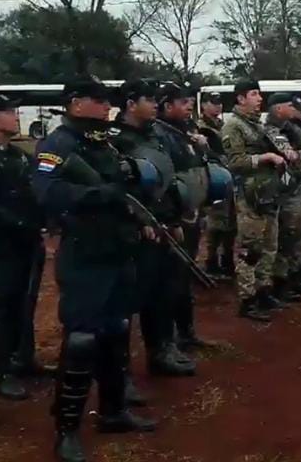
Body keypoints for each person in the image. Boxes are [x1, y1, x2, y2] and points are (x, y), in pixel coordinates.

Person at [32, 77, 157, 462]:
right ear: (74, 102)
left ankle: (113, 410)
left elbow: (123, 183)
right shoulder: (58, 144)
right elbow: (45, 191)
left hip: (118, 248)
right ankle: (66, 429)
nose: (107, 106)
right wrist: (97, 194)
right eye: (98, 100)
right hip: (85, 253)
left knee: (117, 330)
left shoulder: (102, 141)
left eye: (108, 100)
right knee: (82, 338)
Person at [109, 79, 195, 378]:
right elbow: (120, 189)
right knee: (128, 302)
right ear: (131, 104)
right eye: (149, 99)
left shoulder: (155, 134)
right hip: (135, 231)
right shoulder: (115, 139)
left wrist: (172, 220)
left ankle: (162, 350)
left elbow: (165, 181)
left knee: (163, 292)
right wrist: (140, 222)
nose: (155, 104)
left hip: (162, 226)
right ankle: (121, 373)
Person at [0, 94, 46, 402]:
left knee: (26, 302)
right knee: (5, 303)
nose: (16, 116)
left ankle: (24, 359)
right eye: (10, 112)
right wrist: (20, 224)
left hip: (29, 241)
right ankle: (2, 371)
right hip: (3, 243)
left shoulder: (18, 155)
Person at [154, 82, 213, 352]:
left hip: (191, 214)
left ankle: (187, 332)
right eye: (182, 102)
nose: (189, 105)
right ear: (167, 106)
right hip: (174, 219)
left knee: (184, 276)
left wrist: (201, 146)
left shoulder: (184, 132)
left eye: (190, 100)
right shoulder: (160, 135)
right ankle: (170, 340)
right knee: (170, 279)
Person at [221, 80, 286, 322]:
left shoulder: (257, 126)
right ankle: (247, 300)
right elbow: (235, 162)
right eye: (254, 94)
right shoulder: (233, 127)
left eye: (259, 94)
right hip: (249, 195)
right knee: (249, 248)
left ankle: (263, 290)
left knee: (270, 244)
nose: (260, 98)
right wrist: (265, 156)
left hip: (267, 192)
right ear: (240, 98)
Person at [265, 93, 301, 297]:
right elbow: (289, 155)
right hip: (284, 188)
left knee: (297, 235)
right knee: (288, 235)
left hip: (295, 185)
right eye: (289, 106)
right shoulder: (272, 130)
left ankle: (294, 275)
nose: (294, 109)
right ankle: (281, 281)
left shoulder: (290, 128)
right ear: (278, 109)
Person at [197, 92, 237, 282]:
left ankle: (227, 260)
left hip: (229, 176)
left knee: (231, 222)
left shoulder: (221, 126)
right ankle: (211, 261)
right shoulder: (200, 128)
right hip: (214, 178)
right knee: (216, 222)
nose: (217, 107)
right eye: (212, 103)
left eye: (219, 103)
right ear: (203, 105)